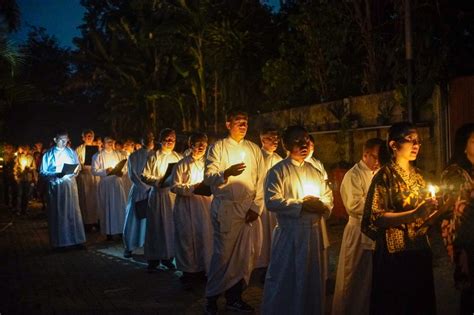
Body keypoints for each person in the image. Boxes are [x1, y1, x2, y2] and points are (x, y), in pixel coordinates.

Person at [361, 122, 438, 315]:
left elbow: (424, 216)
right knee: (396, 303)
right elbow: (376, 217)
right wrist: (413, 214)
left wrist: (433, 213)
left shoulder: (420, 176)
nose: (416, 145)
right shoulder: (384, 176)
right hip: (393, 252)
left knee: (419, 301)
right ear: (393, 145)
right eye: (410, 140)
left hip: (419, 247)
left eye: (418, 141)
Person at [261, 125, 333, 315]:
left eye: (306, 140)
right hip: (290, 234)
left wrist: (322, 206)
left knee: (312, 279)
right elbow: (272, 201)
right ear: (286, 144)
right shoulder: (277, 171)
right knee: (286, 277)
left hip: (313, 233)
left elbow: (328, 197)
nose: (304, 144)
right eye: (298, 141)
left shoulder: (315, 171)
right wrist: (301, 204)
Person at [204, 108, 266, 314]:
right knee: (223, 256)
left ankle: (234, 297)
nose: (243, 125)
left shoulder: (254, 149)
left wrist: (256, 207)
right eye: (238, 121)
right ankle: (211, 297)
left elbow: (261, 180)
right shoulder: (217, 148)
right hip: (227, 209)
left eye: (246, 122)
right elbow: (209, 177)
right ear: (228, 124)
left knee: (245, 256)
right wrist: (226, 173)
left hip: (248, 209)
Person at [332, 138, 384, 315]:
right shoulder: (353, 175)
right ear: (365, 154)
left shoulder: (380, 172)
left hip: (376, 231)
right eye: (375, 157)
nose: (378, 161)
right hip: (358, 231)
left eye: (381, 157)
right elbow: (354, 205)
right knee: (353, 277)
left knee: (370, 278)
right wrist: (382, 206)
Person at [171, 132, 213, 287]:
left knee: (204, 237)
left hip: (204, 206)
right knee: (187, 238)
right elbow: (174, 186)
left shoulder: (209, 163)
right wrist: (192, 187)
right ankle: (188, 272)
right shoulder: (181, 164)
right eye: (198, 143)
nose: (201, 146)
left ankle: (203, 269)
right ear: (191, 145)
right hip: (186, 207)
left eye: (204, 143)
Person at [441, 123, 474, 314]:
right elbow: (450, 213)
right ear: (464, 145)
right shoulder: (454, 173)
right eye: (473, 141)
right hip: (466, 240)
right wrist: (459, 249)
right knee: (469, 293)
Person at [142, 128, 182, 271]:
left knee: (170, 226)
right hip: (157, 195)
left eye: (173, 139)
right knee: (156, 226)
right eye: (167, 139)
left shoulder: (178, 157)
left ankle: (168, 257)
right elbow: (144, 176)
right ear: (161, 140)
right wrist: (159, 181)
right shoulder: (153, 156)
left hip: (171, 196)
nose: (170, 142)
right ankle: (153, 259)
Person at [40, 130, 86, 248]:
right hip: (56, 188)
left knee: (73, 212)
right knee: (59, 213)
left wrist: (73, 172)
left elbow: (77, 167)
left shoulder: (71, 152)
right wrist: (55, 174)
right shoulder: (48, 154)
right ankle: (60, 242)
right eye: (62, 140)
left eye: (66, 140)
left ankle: (77, 240)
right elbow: (43, 172)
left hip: (70, 186)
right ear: (55, 140)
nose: (64, 142)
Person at [122, 132, 155, 258]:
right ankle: (129, 246)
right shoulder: (134, 156)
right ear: (141, 140)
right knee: (133, 218)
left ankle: (150, 246)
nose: (148, 140)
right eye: (146, 138)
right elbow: (132, 175)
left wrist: (151, 187)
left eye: (151, 138)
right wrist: (145, 187)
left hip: (153, 191)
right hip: (138, 190)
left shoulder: (156, 155)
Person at [255, 127, 282, 270]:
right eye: (271, 138)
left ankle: (274, 261)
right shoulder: (257, 157)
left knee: (274, 232)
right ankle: (261, 264)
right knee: (262, 235)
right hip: (261, 203)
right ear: (263, 140)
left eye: (277, 138)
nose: (275, 141)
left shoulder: (278, 159)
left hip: (275, 202)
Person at [92, 137, 127, 240]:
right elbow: (94, 170)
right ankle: (109, 232)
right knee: (107, 207)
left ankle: (121, 230)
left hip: (116, 183)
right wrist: (105, 171)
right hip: (106, 184)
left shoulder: (118, 154)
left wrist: (121, 172)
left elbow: (124, 168)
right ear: (103, 143)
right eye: (108, 142)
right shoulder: (98, 155)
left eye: (112, 142)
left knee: (119, 207)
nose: (111, 144)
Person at [76, 129, 100, 230]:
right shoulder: (79, 149)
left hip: (95, 177)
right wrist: (81, 166)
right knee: (85, 200)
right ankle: (86, 223)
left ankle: (97, 221)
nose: (89, 138)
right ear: (83, 138)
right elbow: (76, 163)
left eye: (91, 136)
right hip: (84, 177)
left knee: (96, 199)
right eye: (87, 136)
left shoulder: (98, 148)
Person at [13, 145, 36, 215]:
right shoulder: (19, 157)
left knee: (26, 195)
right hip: (20, 178)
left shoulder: (31, 158)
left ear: (28, 150)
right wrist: (16, 176)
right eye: (24, 149)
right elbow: (15, 168)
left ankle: (25, 210)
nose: (25, 150)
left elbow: (34, 167)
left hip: (27, 179)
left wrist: (29, 168)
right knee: (19, 195)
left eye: (27, 149)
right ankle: (18, 210)